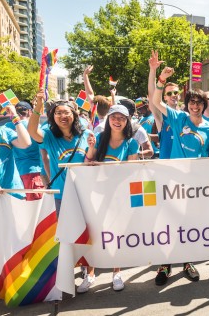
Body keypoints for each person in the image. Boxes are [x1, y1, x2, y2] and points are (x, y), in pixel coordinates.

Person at [151, 64, 209, 286]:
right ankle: (165, 264)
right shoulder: (178, 118)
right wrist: (160, 79)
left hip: (194, 185)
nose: (195, 106)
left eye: (199, 103)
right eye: (191, 102)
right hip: (171, 181)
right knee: (167, 223)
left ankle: (187, 262)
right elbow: (155, 102)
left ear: (203, 105)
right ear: (187, 105)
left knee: (188, 225)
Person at [77, 105, 139, 293]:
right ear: (108, 119)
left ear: (127, 121)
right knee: (93, 235)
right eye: (114, 117)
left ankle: (116, 273)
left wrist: (110, 168)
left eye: (122, 117)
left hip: (119, 196)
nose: (117, 121)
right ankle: (90, 274)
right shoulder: (100, 138)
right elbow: (86, 163)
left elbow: (133, 170)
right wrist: (91, 148)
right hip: (95, 194)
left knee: (116, 236)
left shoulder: (131, 142)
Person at [28, 90, 92, 215]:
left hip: (85, 193)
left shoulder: (87, 135)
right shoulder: (49, 137)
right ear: (53, 117)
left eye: (66, 112)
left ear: (74, 115)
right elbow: (32, 131)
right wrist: (38, 106)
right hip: (61, 195)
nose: (63, 116)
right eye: (58, 113)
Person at [4, 101, 44, 200]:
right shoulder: (36, 127)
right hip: (34, 171)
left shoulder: (6, 127)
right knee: (35, 208)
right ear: (30, 112)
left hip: (14, 174)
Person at [147, 50, 178, 159]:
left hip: (183, 164)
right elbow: (152, 95)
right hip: (165, 165)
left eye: (176, 92)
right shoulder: (161, 116)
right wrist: (153, 70)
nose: (173, 95)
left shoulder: (185, 116)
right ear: (164, 97)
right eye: (169, 93)